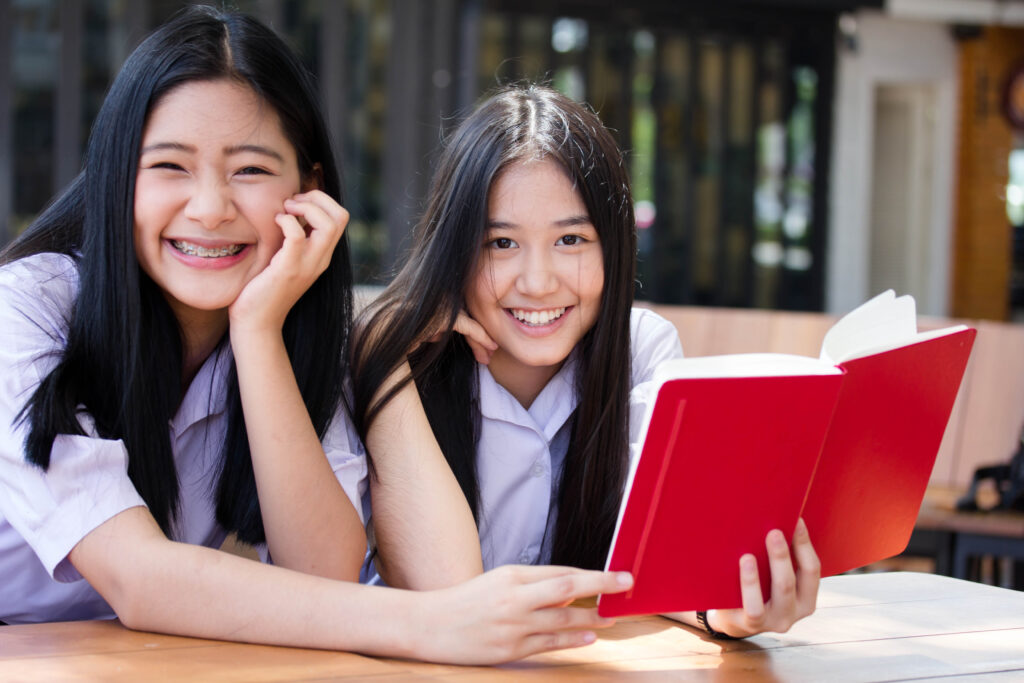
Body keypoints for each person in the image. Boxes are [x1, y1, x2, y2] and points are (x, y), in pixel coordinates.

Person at [0, 7, 634, 663]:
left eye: (249, 170)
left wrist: (257, 330)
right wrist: (427, 622)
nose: (212, 207)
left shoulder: (292, 325)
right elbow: (135, 576)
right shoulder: (26, 310)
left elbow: (322, 571)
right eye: (170, 166)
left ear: (308, 191)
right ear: (115, 178)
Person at [352, 84, 820, 639]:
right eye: (500, 244)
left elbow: (650, 571)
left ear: (613, 246)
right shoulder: (391, 360)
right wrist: (383, 353)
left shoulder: (641, 353)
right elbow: (451, 596)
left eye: (571, 239)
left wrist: (719, 610)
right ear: (453, 248)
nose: (538, 282)